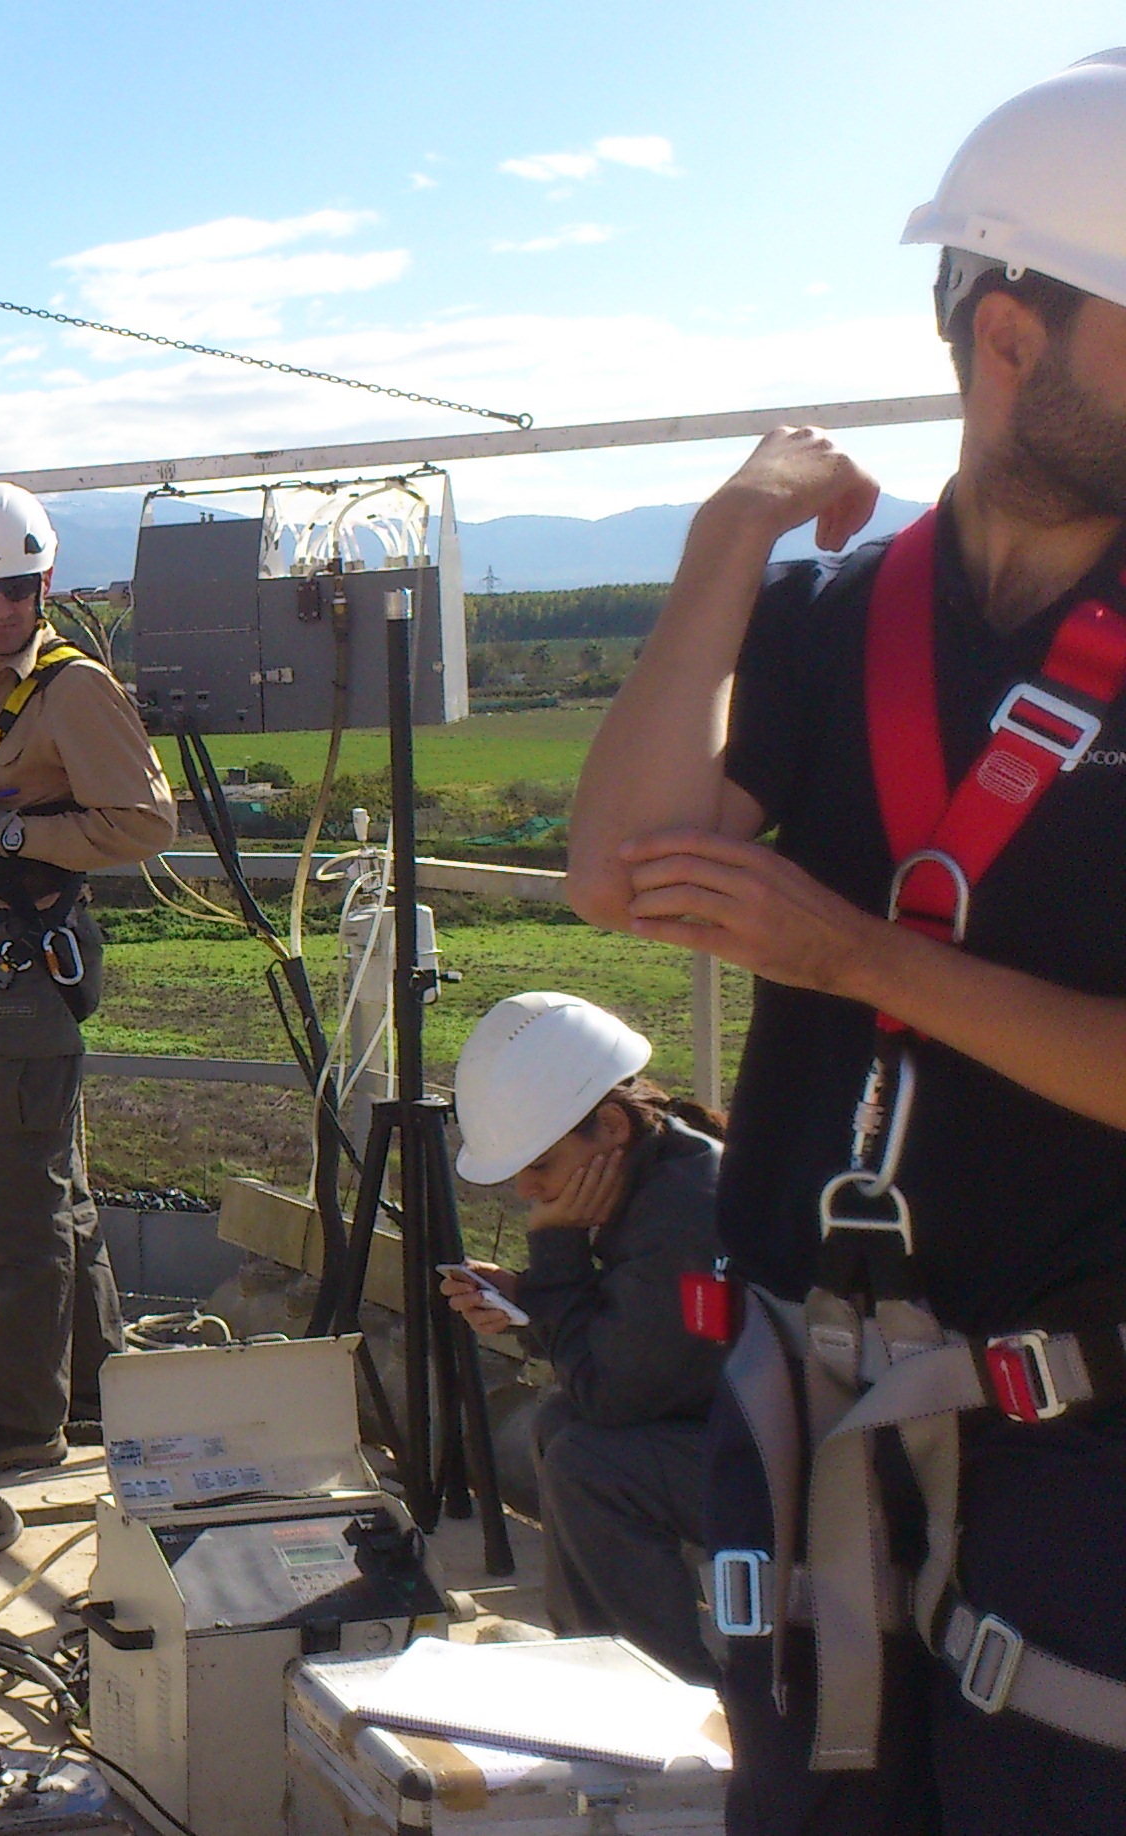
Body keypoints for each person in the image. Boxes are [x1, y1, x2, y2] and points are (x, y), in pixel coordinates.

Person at [566, 50, 1126, 1830]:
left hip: (1070, 1438)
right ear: (1007, 337)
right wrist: (722, 544)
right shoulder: (826, 621)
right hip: (801, 1407)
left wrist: (860, 959)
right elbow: (614, 868)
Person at [0, 482, 176, 1468]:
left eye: (18, 588)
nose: (4, 608)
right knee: (60, 1197)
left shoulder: (73, 689)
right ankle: (98, 1396)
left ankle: (18, 1424)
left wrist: (12, 831)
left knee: (20, 1212)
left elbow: (145, 823)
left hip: (21, 966)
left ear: (44, 579)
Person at [439, 993, 726, 1685]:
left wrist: (558, 1261)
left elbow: (610, 1395)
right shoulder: (670, 1176)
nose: (530, 1192)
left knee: (590, 1463)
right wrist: (528, 1302)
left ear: (610, 1125)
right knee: (562, 1428)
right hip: (759, 1431)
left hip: (814, 1475)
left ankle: (659, 1695)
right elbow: (640, 1351)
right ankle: (594, 1658)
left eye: (539, 1164)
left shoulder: (682, 1219)